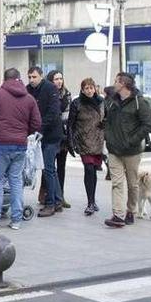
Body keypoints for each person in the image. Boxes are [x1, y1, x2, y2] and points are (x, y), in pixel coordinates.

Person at [0, 68, 41, 230]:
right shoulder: (29, 98)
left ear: (5, 79)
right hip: (20, 145)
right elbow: (36, 124)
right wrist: (23, 133)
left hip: (0, 144)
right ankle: (16, 220)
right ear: (19, 79)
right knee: (16, 181)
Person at [103, 72, 151, 228]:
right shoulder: (112, 101)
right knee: (116, 183)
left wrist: (132, 140)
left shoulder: (140, 102)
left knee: (133, 184)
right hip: (114, 150)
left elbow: (149, 125)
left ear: (123, 84)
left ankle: (130, 211)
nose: (114, 84)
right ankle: (118, 215)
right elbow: (108, 121)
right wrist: (107, 135)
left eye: (116, 81)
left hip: (132, 151)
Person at [26, 67, 64, 217]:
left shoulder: (50, 88)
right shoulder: (27, 89)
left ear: (41, 76)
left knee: (48, 169)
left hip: (51, 135)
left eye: (34, 77)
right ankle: (57, 200)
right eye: (29, 77)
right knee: (50, 170)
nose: (31, 80)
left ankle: (50, 204)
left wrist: (39, 129)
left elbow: (53, 112)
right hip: (37, 135)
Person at [67, 78, 105, 216]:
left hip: (98, 140)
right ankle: (89, 202)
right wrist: (71, 142)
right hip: (83, 140)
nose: (89, 91)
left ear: (95, 88)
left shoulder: (101, 102)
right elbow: (70, 124)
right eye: (86, 88)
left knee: (94, 171)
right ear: (82, 90)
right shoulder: (77, 103)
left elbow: (106, 117)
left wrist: (105, 124)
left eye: (91, 88)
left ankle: (93, 200)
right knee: (88, 169)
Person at [41, 70, 71, 208]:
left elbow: (70, 117)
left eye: (61, 78)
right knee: (48, 166)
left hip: (64, 136)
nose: (59, 81)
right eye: (56, 79)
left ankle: (61, 195)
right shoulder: (47, 94)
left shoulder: (67, 95)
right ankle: (47, 192)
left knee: (61, 166)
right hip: (51, 134)